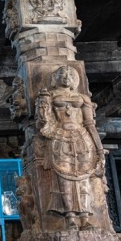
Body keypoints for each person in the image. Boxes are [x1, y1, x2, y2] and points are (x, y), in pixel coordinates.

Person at [35, 65, 105, 229]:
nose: (66, 76)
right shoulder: (50, 96)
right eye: (61, 73)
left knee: (84, 178)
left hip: (82, 138)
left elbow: (90, 124)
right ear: (54, 78)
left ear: (75, 79)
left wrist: (99, 148)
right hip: (60, 136)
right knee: (64, 177)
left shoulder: (82, 98)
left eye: (69, 74)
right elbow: (41, 123)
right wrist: (43, 111)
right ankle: (70, 217)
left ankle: (85, 217)